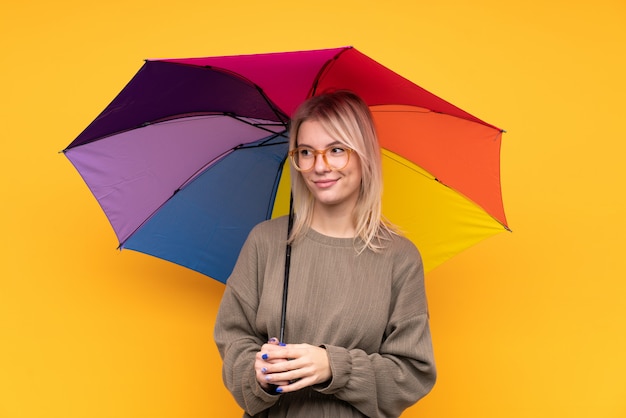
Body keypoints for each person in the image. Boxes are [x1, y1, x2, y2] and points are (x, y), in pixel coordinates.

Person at [214, 90, 436, 417]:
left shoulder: (399, 258)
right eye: (306, 152)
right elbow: (235, 340)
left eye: (336, 150)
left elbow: (412, 374)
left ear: (364, 155)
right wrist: (259, 372)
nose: (320, 166)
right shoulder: (265, 241)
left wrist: (334, 366)